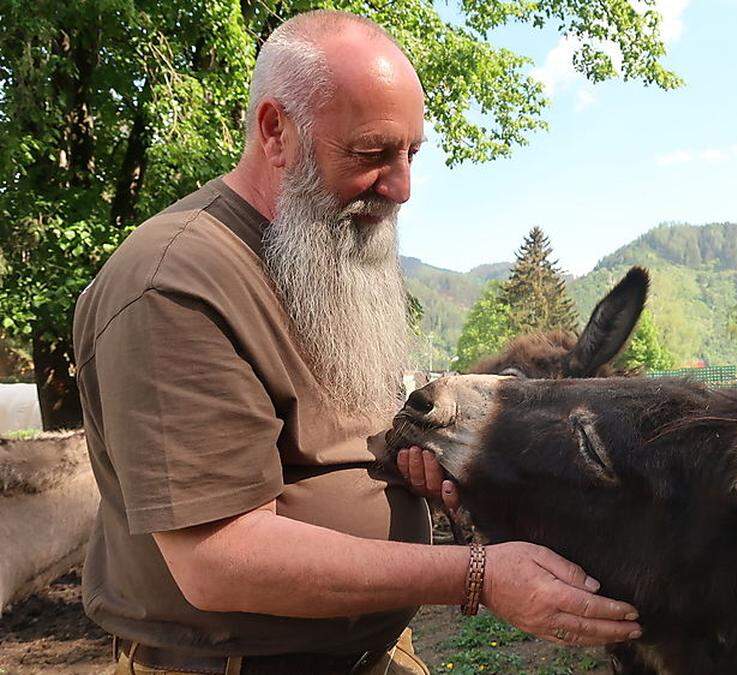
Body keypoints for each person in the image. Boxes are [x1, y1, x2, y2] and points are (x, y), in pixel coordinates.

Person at [72, 10, 640, 675]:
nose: (401, 187)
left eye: (411, 154)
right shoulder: (173, 286)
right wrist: (480, 574)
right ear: (275, 131)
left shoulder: (325, 255)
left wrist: (404, 467)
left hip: (373, 653)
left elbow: (325, 451)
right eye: (373, 154)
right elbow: (218, 557)